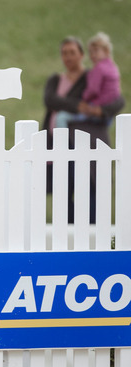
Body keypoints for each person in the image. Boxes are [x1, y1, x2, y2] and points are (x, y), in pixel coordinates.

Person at [43, 36, 124, 224]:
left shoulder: (92, 75)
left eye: (72, 52)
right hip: (59, 143)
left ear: (81, 55)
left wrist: (100, 111)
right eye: (64, 53)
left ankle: (91, 232)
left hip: (87, 140)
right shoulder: (55, 80)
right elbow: (50, 100)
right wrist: (78, 105)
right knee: (62, 189)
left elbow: (118, 100)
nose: (68, 57)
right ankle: (67, 233)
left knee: (88, 186)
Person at [55, 32, 121, 130]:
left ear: (106, 51)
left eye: (96, 51)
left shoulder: (99, 68)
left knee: (61, 117)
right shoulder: (113, 67)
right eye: (90, 52)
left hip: (95, 109)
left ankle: (63, 144)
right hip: (108, 114)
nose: (92, 55)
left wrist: (84, 99)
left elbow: (93, 90)